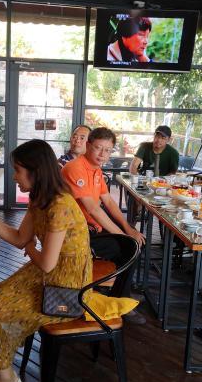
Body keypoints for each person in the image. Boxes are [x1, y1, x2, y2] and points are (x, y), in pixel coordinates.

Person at [0, 139, 92, 382]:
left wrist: (31, 249)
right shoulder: (40, 198)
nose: (14, 176)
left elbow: (45, 261)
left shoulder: (60, 205)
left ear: (36, 172)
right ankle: (2, 371)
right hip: (48, 273)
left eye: (18, 170)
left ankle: (7, 380)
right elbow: (20, 238)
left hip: (67, 287)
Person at [62, 127, 145, 322]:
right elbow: (93, 209)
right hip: (76, 235)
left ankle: (120, 294)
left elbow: (108, 201)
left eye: (107, 150)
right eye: (98, 148)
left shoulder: (96, 170)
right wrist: (123, 236)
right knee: (130, 248)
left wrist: (128, 228)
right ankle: (120, 299)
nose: (102, 154)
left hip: (91, 228)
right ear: (88, 145)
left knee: (134, 243)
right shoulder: (75, 168)